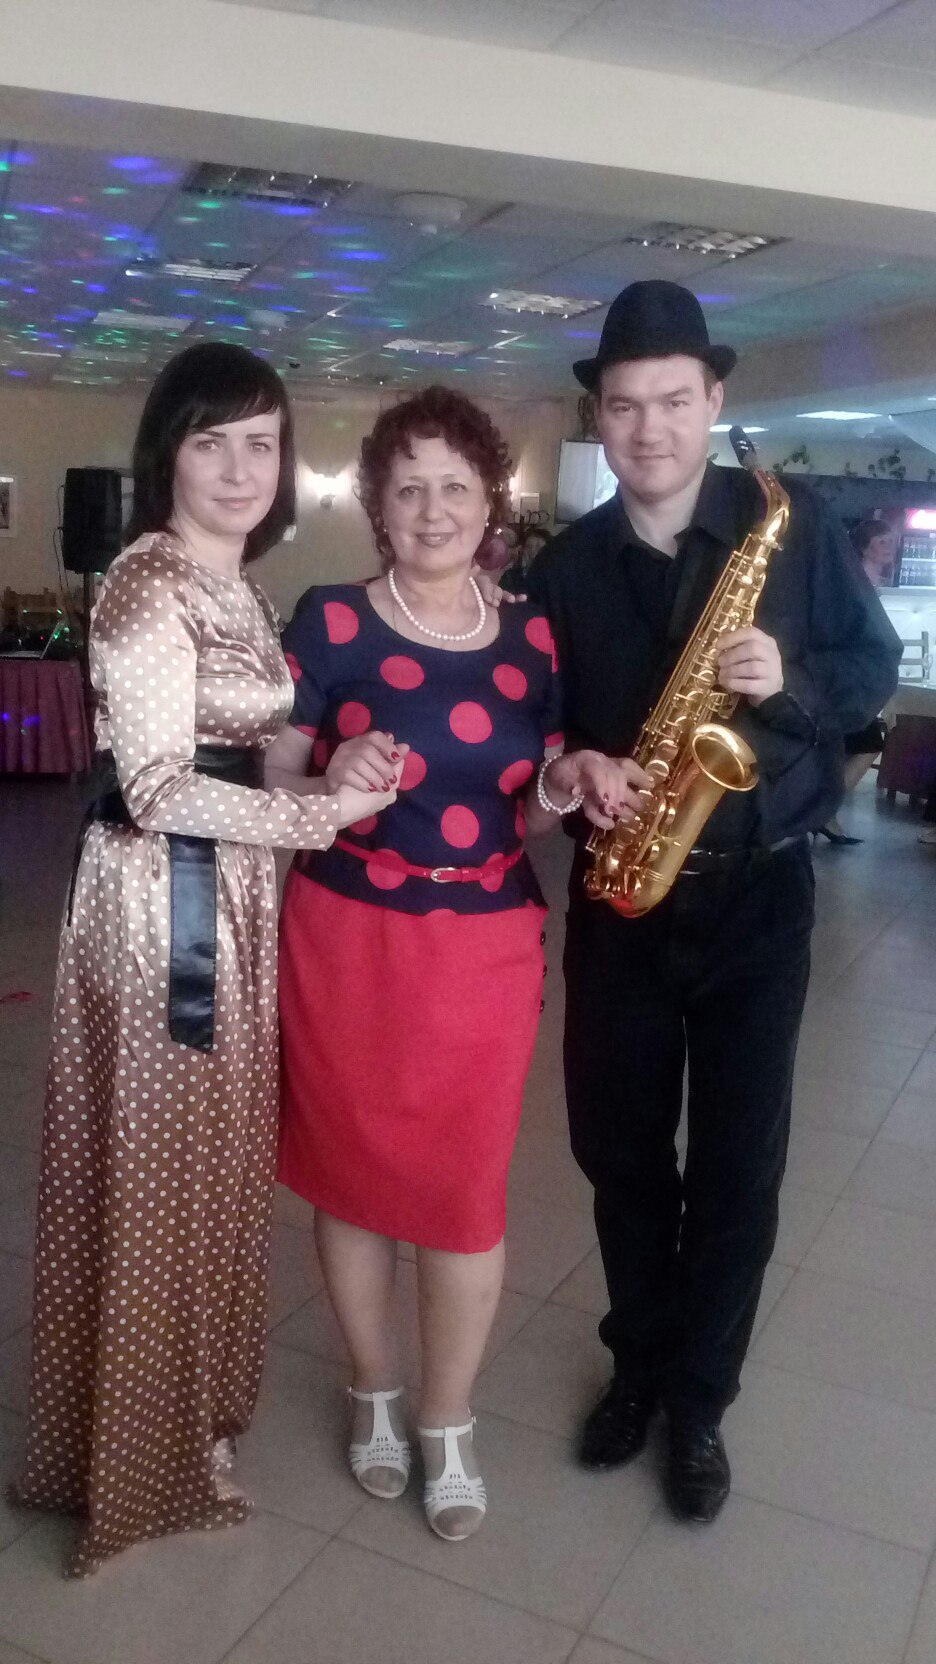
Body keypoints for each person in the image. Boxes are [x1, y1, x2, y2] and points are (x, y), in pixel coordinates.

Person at [11, 343, 394, 1576]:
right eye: (211, 441)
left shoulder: (239, 584)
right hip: (157, 902)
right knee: (160, 1162)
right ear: (166, 453)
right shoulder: (146, 582)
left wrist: (331, 766)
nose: (240, 468)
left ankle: (182, 1414)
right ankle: (138, 1453)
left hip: (229, 889)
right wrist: (319, 818)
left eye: (262, 443)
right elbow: (158, 784)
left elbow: (250, 748)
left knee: (217, 1161)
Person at [523, 280, 902, 1524]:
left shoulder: (790, 529)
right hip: (622, 901)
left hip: (759, 897)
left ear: (714, 398)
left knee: (741, 1167)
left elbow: (872, 669)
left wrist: (790, 681)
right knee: (620, 1153)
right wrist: (577, 766)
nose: (650, 428)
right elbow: (537, 736)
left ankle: (700, 1400)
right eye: (626, 405)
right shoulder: (567, 568)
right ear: (601, 413)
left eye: (674, 401)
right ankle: (637, 1362)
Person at [266, 386, 631, 1544]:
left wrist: (572, 780)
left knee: (465, 1194)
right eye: (409, 487)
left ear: (490, 503)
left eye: (455, 487)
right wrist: (330, 777)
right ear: (378, 503)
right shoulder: (330, 620)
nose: (432, 508)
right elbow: (274, 777)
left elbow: (530, 802)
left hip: (481, 942)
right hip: (346, 934)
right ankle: (374, 1388)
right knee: (351, 1178)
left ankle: (446, 1414)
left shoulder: (530, 634)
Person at [816, 517, 900, 844]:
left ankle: (824, 811)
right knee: (868, 742)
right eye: (882, 542)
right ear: (865, 547)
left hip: (852, 677)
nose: (890, 547)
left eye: (891, 540)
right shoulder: (859, 582)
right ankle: (823, 810)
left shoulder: (867, 580)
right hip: (848, 679)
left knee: (861, 744)